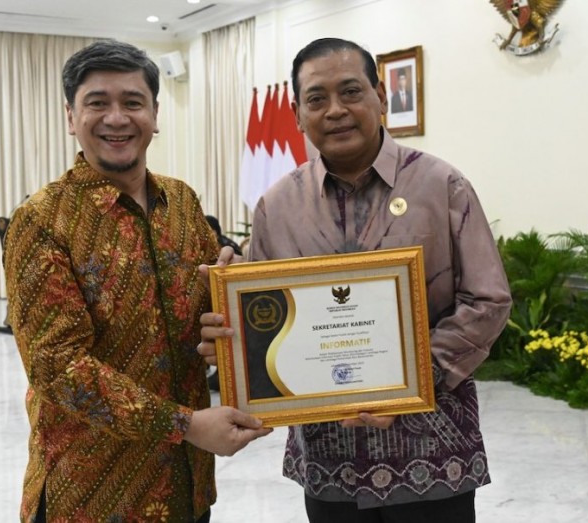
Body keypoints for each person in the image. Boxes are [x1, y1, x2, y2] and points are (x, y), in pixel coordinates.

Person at [199, 38, 511, 522]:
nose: (336, 110)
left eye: (350, 92)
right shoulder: (276, 207)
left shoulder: (441, 185)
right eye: (317, 99)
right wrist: (229, 312)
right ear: (297, 112)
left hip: (433, 454)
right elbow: (262, 321)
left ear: (380, 97)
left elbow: (487, 299)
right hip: (329, 462)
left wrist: (412, 380)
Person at [3, 39, 271, 523]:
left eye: (132, 102)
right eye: (97, 103)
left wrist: (231, 295)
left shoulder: (183, 202)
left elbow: (204, 316)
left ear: (154, 113)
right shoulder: (43, 220)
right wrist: (186, 424)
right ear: (71, 117)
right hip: (91, 493)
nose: (117, 118)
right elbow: (58, 367)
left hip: (186, 486)